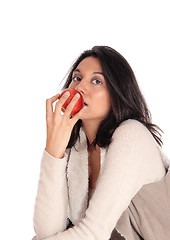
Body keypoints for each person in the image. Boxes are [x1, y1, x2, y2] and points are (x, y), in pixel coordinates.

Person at [32, 46, 170, 240]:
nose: (80, 88)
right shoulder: (76, 145)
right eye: (77, 78)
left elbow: (94, 232)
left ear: (116, 94)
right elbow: (48, 232)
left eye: (96, 81)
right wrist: (53, 151)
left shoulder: (132, 135)